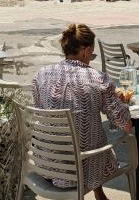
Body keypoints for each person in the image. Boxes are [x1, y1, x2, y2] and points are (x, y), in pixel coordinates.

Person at [33, 24, 132, 200]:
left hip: (46, 163)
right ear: (85, 51)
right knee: (92, 138)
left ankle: (99, 193)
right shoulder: (97, 79)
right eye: (92, 54)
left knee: (84, 132)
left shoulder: (41, 75)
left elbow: (42, 111)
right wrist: (122, 103)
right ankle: (97, 191)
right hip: (78, 167)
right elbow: (125, 125)